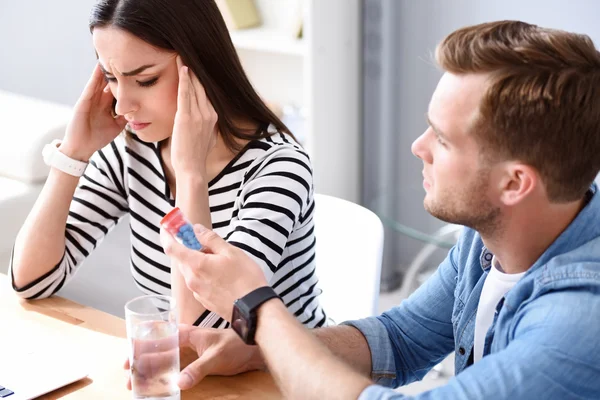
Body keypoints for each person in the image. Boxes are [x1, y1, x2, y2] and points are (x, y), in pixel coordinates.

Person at [156, 20, 600, 398]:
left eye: (442, 140)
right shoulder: (490, 239)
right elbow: (401, 338)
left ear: (514, 183)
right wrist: (264, 350)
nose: (418, 146)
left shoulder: (575, 324)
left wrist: (259, 307)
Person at [9, 0, 327, 330]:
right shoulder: (132, 152)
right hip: (195, 374)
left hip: (282, 375)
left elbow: (204, 328)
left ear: (204, 67)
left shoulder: (278, 168)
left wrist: (190, 176)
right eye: (111, 77)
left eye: (145, 80)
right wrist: (73, 154)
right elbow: (30, 281)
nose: (122, 105)